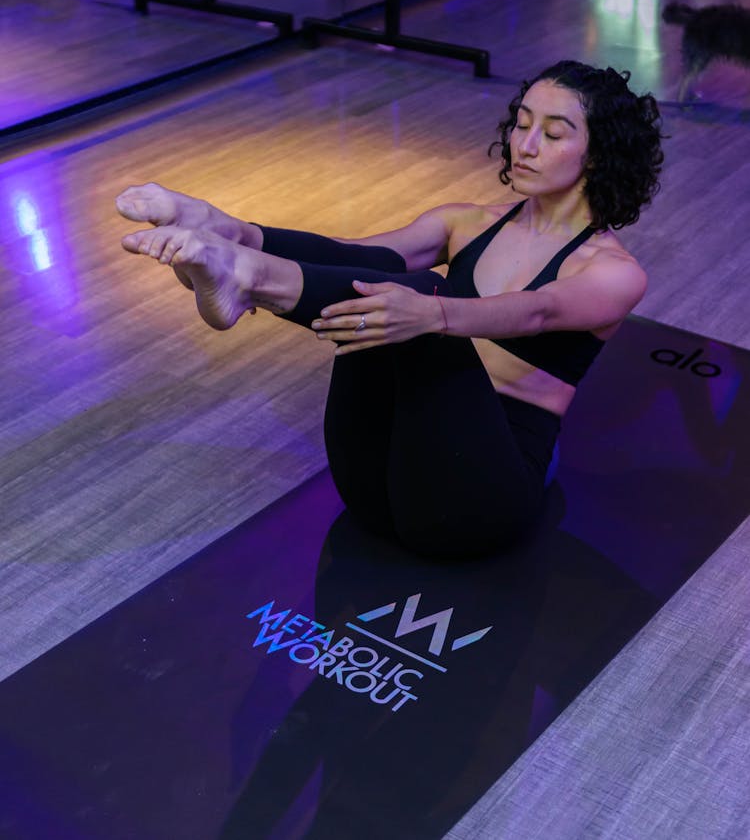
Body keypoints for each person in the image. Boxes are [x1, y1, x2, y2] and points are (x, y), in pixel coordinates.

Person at [116, 61, 663, 561]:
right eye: (521, 124)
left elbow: (537, 312)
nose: (526, 144)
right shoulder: (466, 222)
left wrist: (433, 313)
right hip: (375, 487)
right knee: (388, 285)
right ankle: (232, 239)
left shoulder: (613, 271)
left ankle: (249, 279)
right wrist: (246, 231)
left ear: (598, 154)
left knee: (420, 300)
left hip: (480, 501)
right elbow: (359, 258)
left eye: (553, 133)